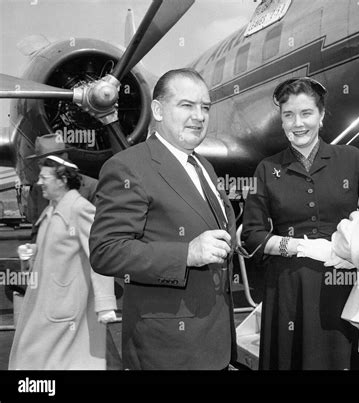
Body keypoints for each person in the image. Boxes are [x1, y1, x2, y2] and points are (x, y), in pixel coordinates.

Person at [241, 77, 359, 370]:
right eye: (288, 115)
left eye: (306, 113)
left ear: (321, 115)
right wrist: (302, 247)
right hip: (289, 291)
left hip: (344, 288)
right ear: (280, 120)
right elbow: (252, 236)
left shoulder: (351, 159)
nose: (297, 123)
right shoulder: (266, 169)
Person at [89, 68, 237, 370]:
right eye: (186, 105)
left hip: (213, 342)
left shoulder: (203, 166)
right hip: (167, 350)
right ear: (157, 109)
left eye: (205, 107)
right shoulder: (128, 167)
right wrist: (186, 254)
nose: (199, 116)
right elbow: (105, 251)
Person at [9, 155, 117, 370]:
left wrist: (105, 304)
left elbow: (99, 254)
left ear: (62, 180)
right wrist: (31, 254)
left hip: (64, 308)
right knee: (35, 358)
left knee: (52, 360)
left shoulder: (79, 209)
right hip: (44, 304)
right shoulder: (50, 211)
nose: (39, 182)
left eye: (44, 177)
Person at [25, 133, 98, 241]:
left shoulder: (91, 189)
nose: (42, 168)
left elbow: (96, 241)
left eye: (47, 163)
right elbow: (36, 232)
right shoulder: (39, 189)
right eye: (41, 163)